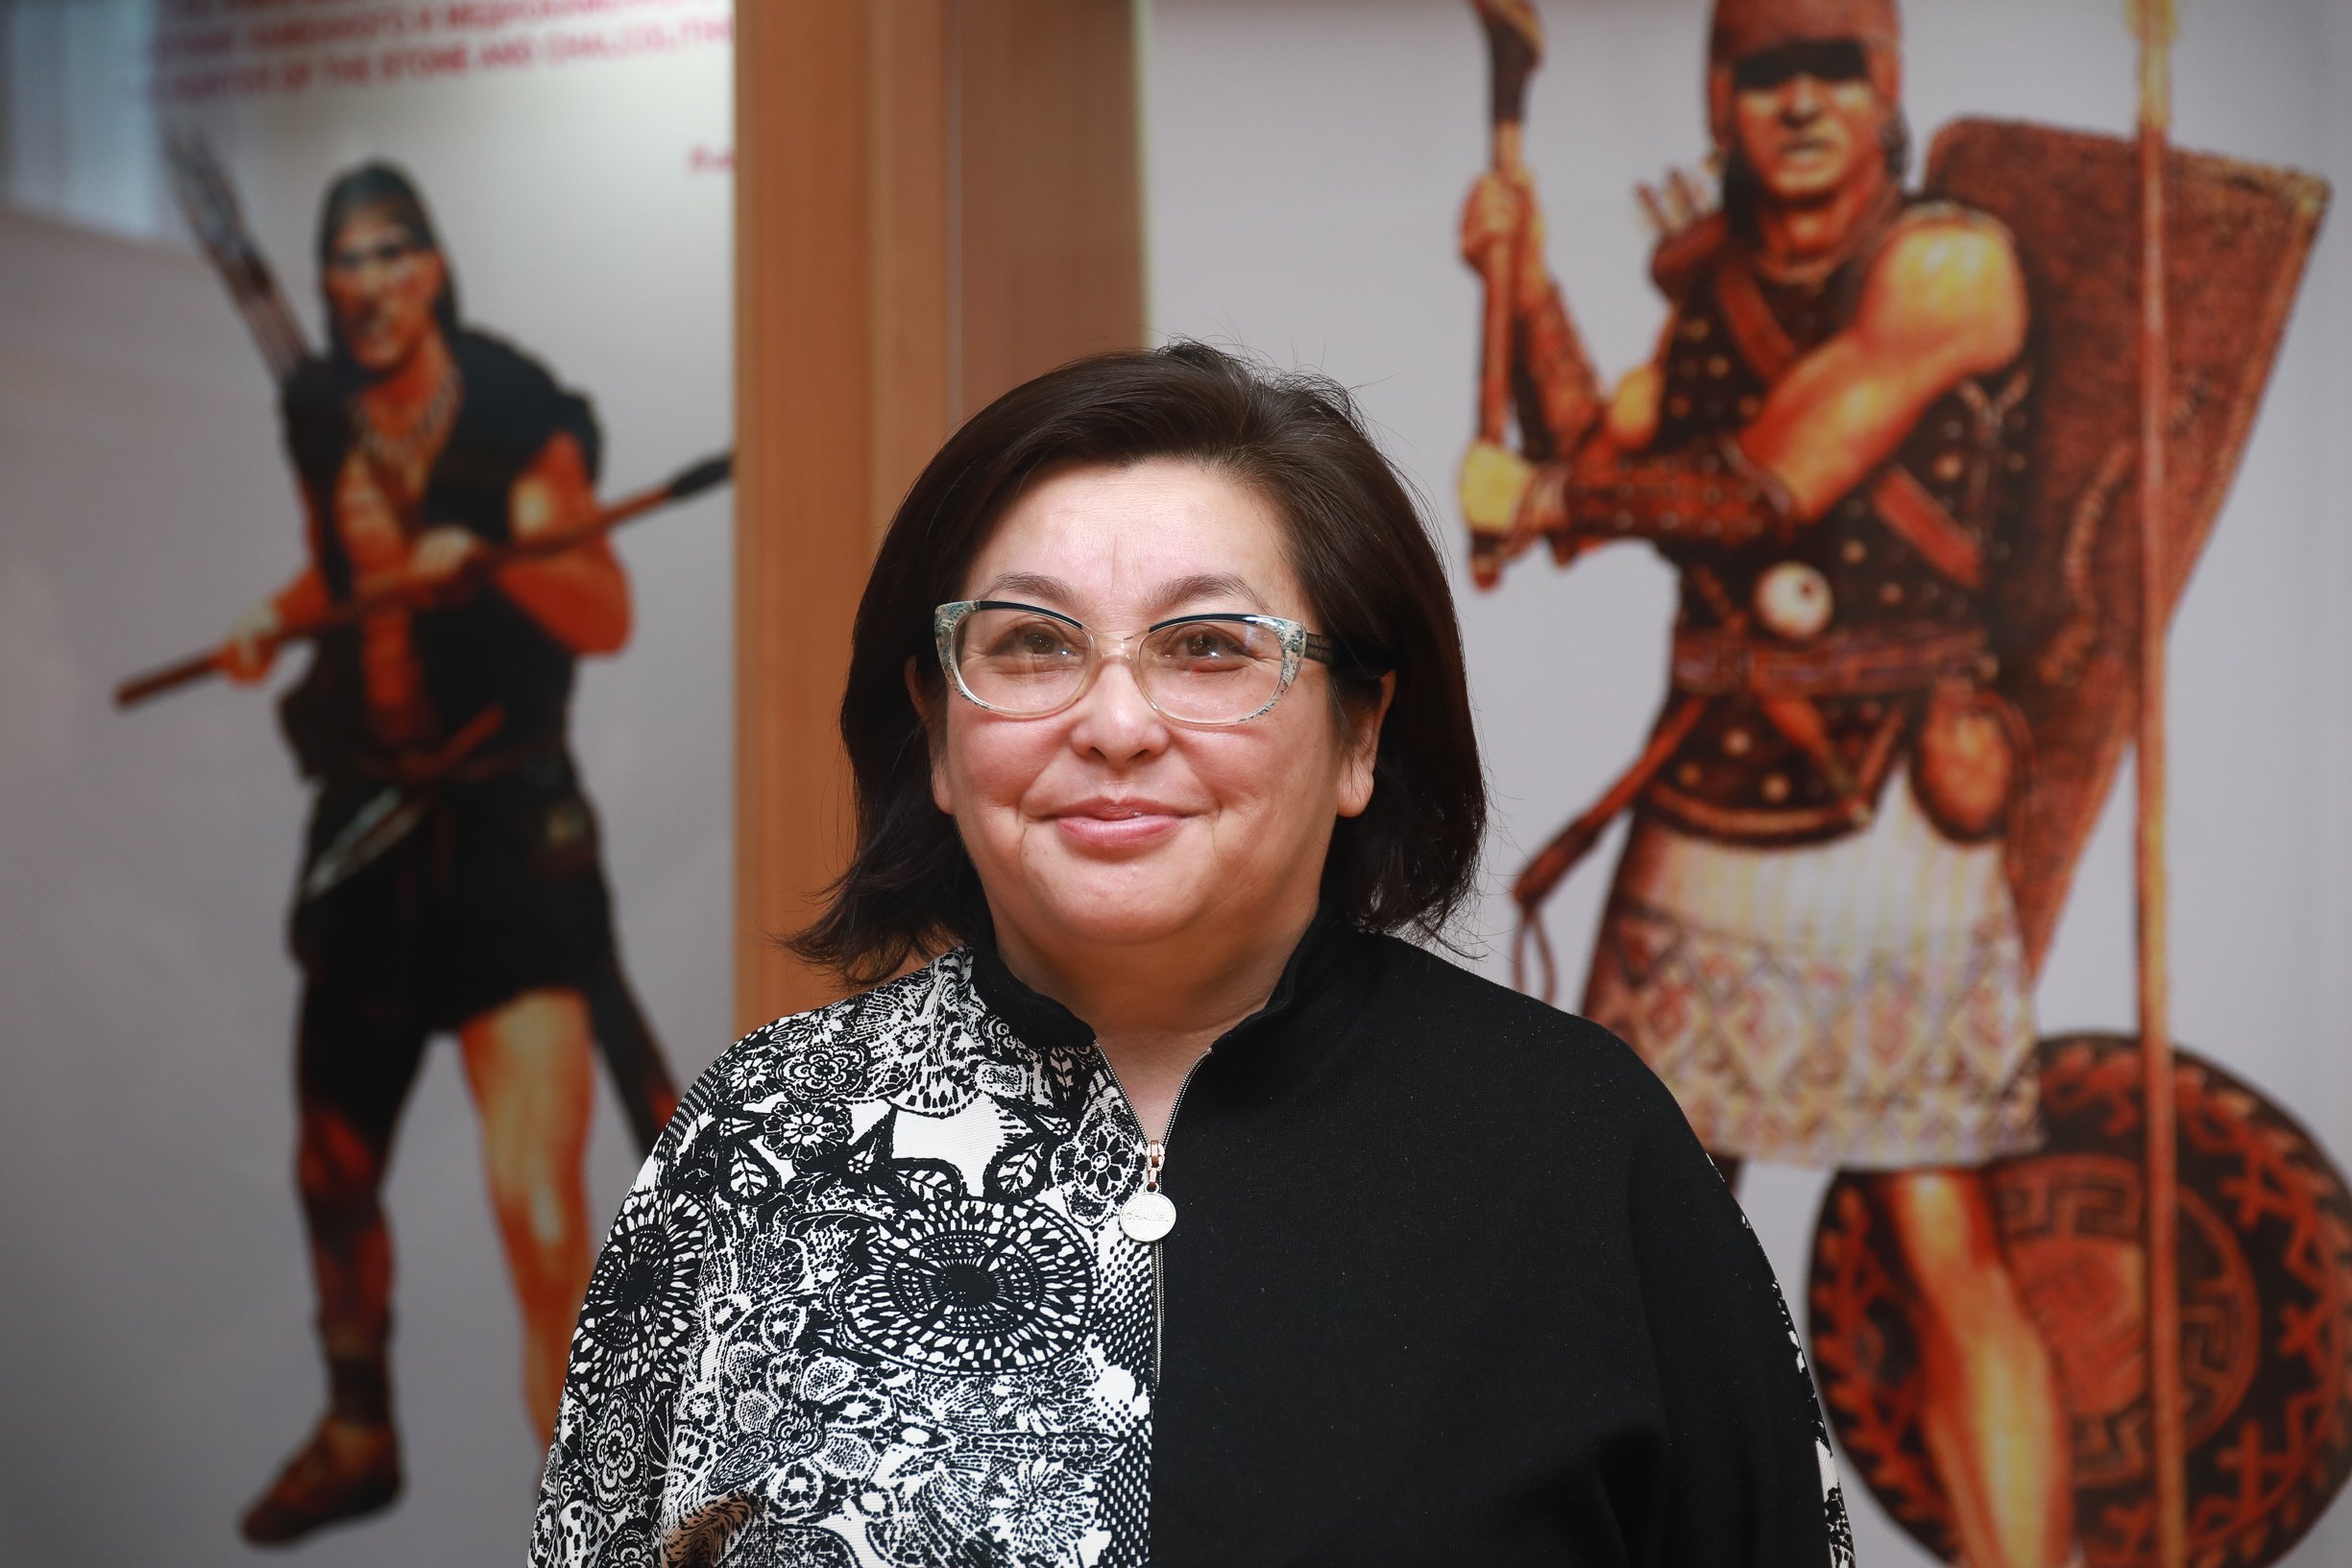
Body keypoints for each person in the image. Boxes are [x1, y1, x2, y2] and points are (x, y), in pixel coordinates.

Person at [533, 343, 1851, 1567]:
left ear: (1358, 733)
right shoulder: (758, 1142)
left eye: (1208, 648)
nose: (1114, 723)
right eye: (1031, 643)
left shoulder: (1577, 1147)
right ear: (934, 729)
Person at [1457, 3, 2073, 1565]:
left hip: (1885, 806)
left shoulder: (1946, 267)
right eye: (1765, 75)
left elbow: (1756, 486)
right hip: (1710, 793)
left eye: (1831, 72)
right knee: (1627, 1223)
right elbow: (1609, 455)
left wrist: (1546, 495)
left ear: (1886, 91)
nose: (1799, 104)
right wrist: (1523, 287)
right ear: (1721, 100)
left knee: (1937, 1236)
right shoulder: (1718, 287)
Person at [220, 163, 680, 1543]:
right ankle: (359, 1425)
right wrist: (275, 617)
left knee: (538, 1211)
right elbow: (341, 564)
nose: (365, 286)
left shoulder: (510, 411)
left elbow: (603, 607)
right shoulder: (321, 413)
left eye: (387, 256)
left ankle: (592, 1522)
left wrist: (479, 553)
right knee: (330, 1166)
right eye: (343, 262)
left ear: (428, 268)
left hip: (503, 846)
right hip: (370, 831)